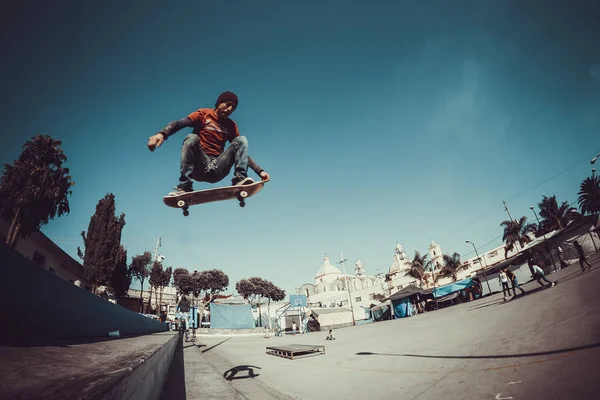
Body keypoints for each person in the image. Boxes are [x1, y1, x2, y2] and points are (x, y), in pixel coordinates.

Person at [147, 91, 270, 195]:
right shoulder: (203, 114)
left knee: (241, 140)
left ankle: (239, 179)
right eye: (227, 105)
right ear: (218, 103)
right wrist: (162, 133)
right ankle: (185, 186)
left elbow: (241, 153)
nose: (229, 109)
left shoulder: (231, 125)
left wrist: (259, 171)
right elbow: (180, 123)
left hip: (218, 168)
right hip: (198, 166)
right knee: (192, 138)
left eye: (232, 108)